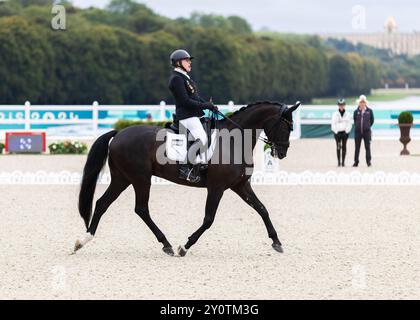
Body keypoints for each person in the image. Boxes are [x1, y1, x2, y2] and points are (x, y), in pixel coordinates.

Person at [168, 49, 217, 183]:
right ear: (178, 63)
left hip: (193, 115)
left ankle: (201, 162)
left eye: (189, 60)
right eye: (187, 60)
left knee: (208, 135)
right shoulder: (176, 79)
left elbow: (195, 97)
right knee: (201, 139)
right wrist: (205, 106)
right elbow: (185, 101)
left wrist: (209, 105)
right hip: (186, 116)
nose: (190, 62)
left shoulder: (185, 78)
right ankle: (185, 168)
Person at [353, 95, 374, 167]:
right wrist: (358, 127)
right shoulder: (356, 112)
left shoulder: (370, 111)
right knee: (357, 148)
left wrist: (367, 127)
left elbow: (372, 121)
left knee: (367, 147)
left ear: (365, 103)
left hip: (366, 132)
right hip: (358, 132)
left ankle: (368, 162)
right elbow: (355, 120)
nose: (362, 103)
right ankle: (356, 162)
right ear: (359, 103)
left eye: (363, 102)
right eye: (361, 102)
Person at [331, 98, 352, 167]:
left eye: (342, 104)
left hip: (345, 133)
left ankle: (343, 162)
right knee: (338, 147)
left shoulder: (348, 114)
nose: (341, 106)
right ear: (338, 105)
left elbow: (349, 124)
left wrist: (347, 131)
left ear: (344, 105)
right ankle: (338, 162)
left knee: (344, 147)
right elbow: (333, 124)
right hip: (337, 133)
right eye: (340, 105)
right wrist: (336, 132)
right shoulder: (335, 114)